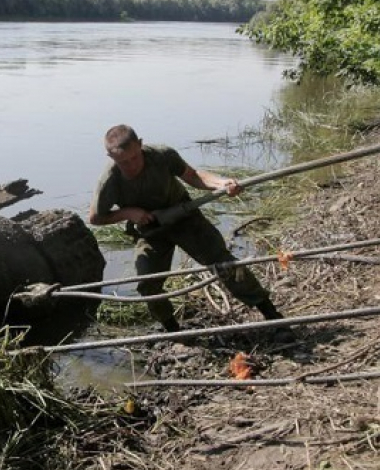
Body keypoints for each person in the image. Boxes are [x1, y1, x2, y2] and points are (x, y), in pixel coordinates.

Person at [89, 124, 291, 339]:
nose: (130, 166)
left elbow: (193, 176)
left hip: (185, 217)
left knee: (225, 264)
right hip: (151, 230)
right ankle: (174, 333)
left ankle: (274, 317)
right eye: (123, 163)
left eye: (134, 158)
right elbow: (95, 218)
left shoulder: (162, 155)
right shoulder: (110, 180)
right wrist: (128, 213)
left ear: (140, 145)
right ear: (110, 156)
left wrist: (221, 183)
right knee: (148, 284)